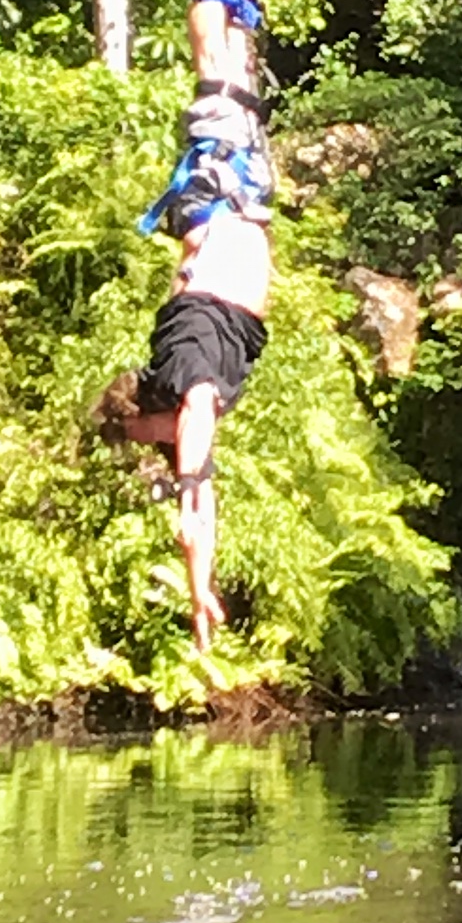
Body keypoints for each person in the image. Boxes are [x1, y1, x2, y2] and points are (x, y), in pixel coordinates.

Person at [121, 194, 272, 655]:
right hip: (231, 230)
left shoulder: (178, 369)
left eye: (151, 434)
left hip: (222, 220)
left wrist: (185, 489)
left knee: (225, 124)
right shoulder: (184, 428)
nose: (161, 442)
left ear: (145, 408)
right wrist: (197, 588)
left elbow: (199, 403)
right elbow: (201, 512)